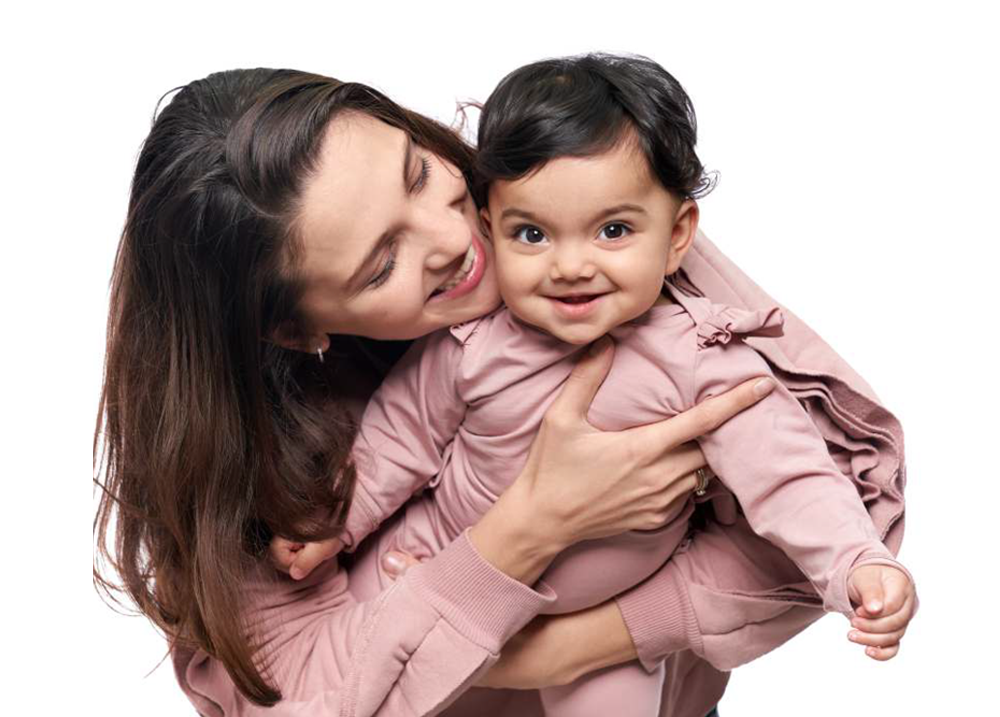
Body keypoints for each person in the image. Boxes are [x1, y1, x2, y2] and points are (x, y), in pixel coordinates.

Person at [93, 67, 911, 717]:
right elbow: (301, 691)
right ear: (293, 329)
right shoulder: (258, 446)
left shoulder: (570, 211)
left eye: (420, 173)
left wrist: (590, 641)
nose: (460, 236)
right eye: (382, 263)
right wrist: (528, 524)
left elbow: (825, 486)